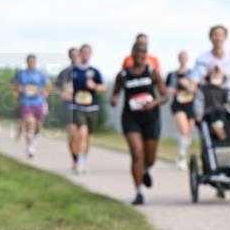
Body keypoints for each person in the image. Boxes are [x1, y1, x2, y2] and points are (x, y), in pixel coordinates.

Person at [110, 43, 167, 205]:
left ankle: (146, 169)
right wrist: (114, 99)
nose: (139, 55)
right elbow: (116, 93)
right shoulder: (123, 75)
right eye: (136, 52)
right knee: (136, 153)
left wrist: (154, 103)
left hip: (150, 118)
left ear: (146, 55)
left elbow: (164, 96)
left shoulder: (152, 72)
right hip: (131, 118)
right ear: (132, 54)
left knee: (150, 157)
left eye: (143, 52)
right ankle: (139, 192)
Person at [71, 44, 106, 175]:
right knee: (82, 133)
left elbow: (103, 87)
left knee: (87, 136)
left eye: (88, 52)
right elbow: (65, 87)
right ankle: (79, 162)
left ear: (90, 55)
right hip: (78, 107)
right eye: (83, 52)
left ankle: (84, 159)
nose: (85, 55)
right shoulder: (73, 71)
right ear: (79, 54)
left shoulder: (94, 71)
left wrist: (95, 86)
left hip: (92, 107)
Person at [12, 55, 50, 157]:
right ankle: (30, 147)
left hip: (39, 102)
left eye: (33, 61)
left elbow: (48, 86)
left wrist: (43, 91)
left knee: (38, 126)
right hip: (26, 102)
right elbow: (12, 84)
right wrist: (18, 88)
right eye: (29, 61)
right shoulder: (21, 74)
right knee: (30, 123)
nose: (31, 63)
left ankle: (33, 140)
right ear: (27, 62)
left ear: (35, 62)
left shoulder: (41, 73)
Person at [166, 51, 197, 169]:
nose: (183, 60)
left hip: (189, 104)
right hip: (178, 104)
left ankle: (181, 151)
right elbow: (166, 88)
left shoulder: (193, 74)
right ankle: (182, 156)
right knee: (184, 130)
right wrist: (172, 90)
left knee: (189, 132)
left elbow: (195, 89)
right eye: (181, 58)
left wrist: (187, 85)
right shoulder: (172, 75)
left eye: (185, 58)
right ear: (179, 59)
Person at [56, 47, 81, 171]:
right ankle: (75, 160)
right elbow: (56, 88)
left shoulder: (85, 71)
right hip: (68, 106)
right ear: (69, 57)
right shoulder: (64, 73)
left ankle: (80, 159)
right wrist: (62, 94)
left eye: (77, 55)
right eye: (73, 55)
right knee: (73, 135)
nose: (75, 57)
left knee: (81, 135)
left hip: (83, 107)